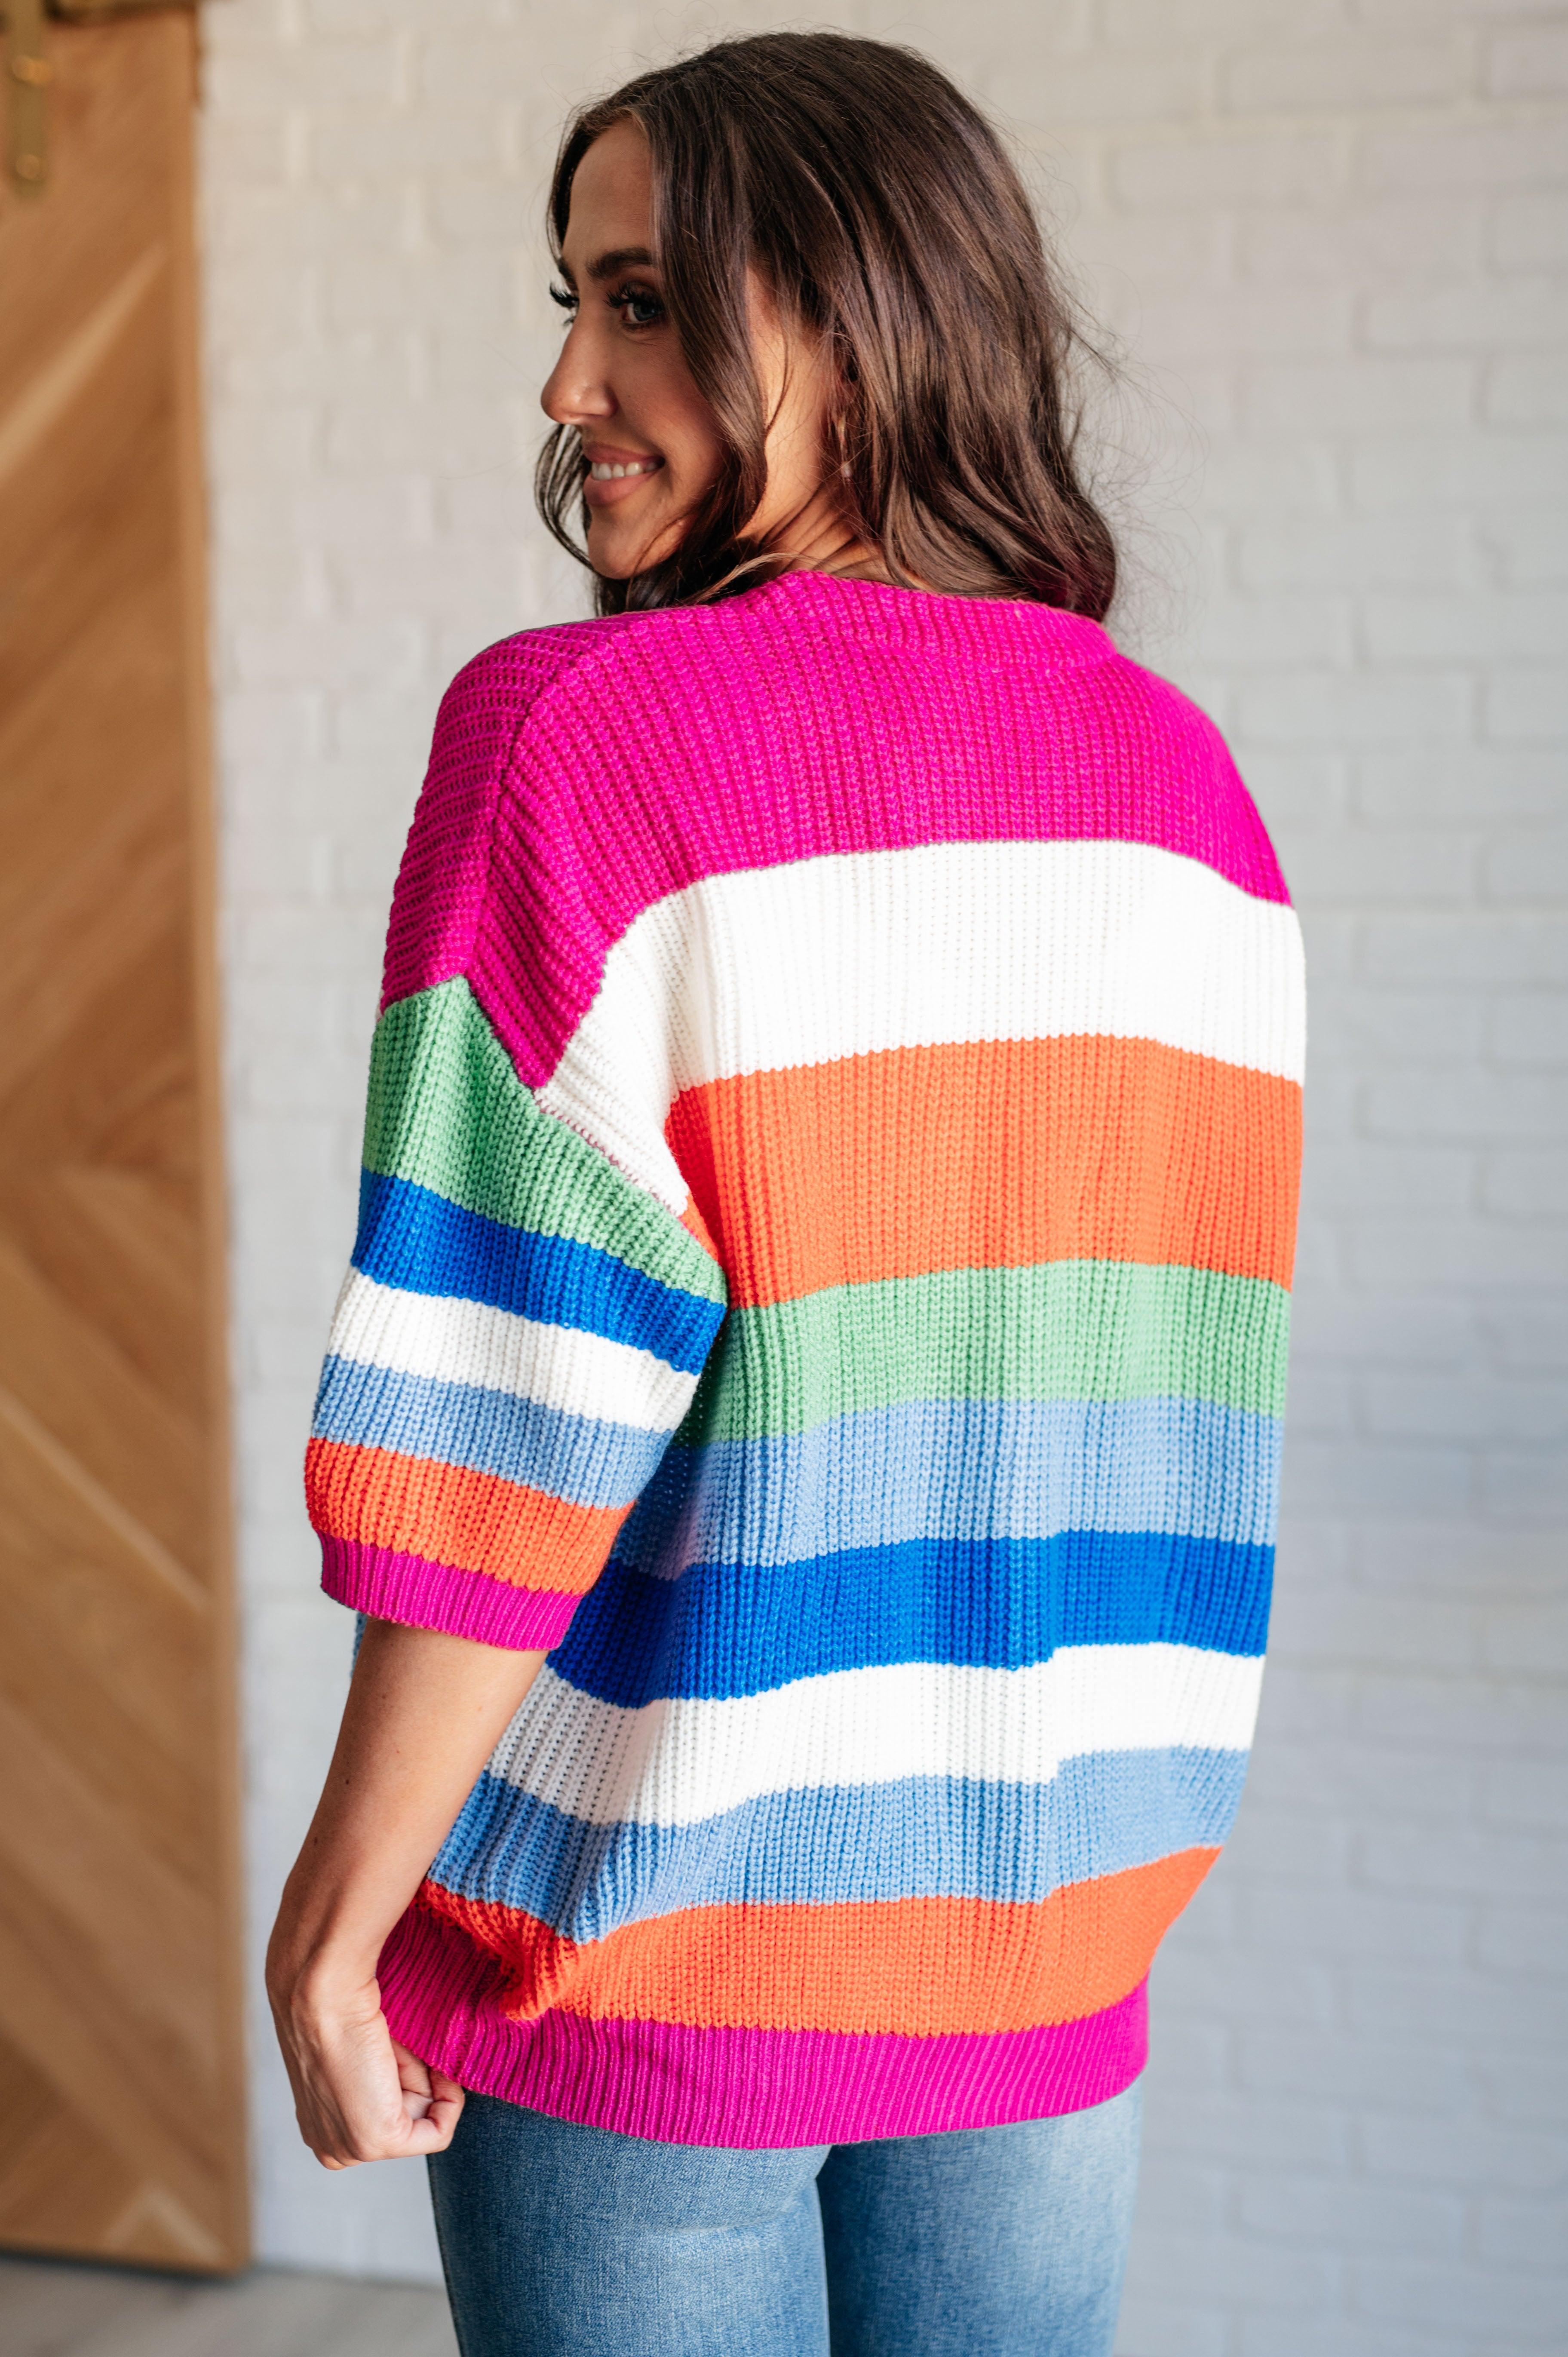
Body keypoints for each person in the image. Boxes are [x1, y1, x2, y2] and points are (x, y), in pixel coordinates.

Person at [267, 31, 1305, 2357]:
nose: (570, 384)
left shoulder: (579, 739)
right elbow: (1170, 1405)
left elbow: (504, 1408)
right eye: (574, 302)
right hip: (1048, 1956)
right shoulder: (1183, 789)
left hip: (656, 1964)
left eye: (642, 302)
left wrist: (340, 1920)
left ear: (851, 317)